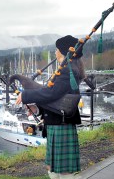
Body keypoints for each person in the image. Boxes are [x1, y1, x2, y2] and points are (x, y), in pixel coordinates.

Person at [15, 35, 85, 179]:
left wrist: (26, 95)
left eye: (57, 49)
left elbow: (50, 93)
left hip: (61, 125)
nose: (55, 52)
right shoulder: (67, 69)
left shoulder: (68, 71)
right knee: (54, 171)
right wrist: (37, 109)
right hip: (57, 123)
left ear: (64, 52)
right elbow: (57, 100)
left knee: (64, 174)